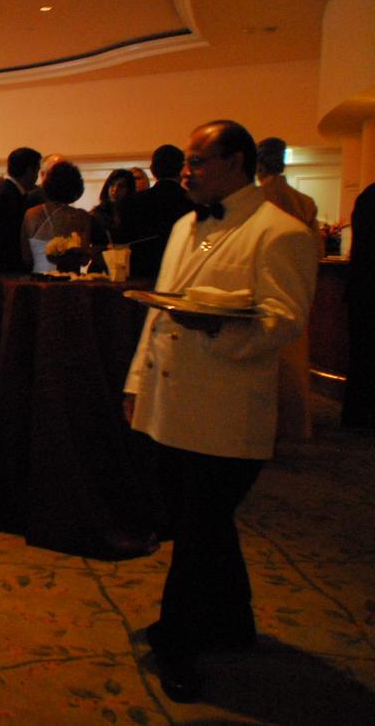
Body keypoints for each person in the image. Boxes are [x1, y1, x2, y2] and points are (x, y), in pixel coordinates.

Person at [123, 120, 318, 702]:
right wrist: (136, 383)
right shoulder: (185, 224)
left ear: (237, 163)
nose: (186, 171)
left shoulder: (281, 233)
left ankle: (178, 643)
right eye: (187, 160)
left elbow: (284, 321)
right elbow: (159, 311)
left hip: (226, 413)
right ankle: (234, 622)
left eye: (198, 161)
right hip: (170, 404)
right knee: (202, 524)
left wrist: (213, 329)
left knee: (198, 531)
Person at [256, 137, 320, 441]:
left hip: (261, 287)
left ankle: (262, 424)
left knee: (263, 361)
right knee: (293, 358)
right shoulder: (303, 202)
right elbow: (316, 250)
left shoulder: (255, 200)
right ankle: (294, 422)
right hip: (295, 290)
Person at [118, 145, 192, 278]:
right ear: (182, 169)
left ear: (152, 170)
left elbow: (124, 239)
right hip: (180, 269)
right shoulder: (191, 201)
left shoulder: (133, 202)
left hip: (142, 270)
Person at [20, 161, 105, 272]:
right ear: (76, 187)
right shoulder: (82, 217)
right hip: (71, 279)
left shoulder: (31, 214)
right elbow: (84, 260)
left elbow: (26, 257)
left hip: (39, 279)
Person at [343, 182, 375, 429]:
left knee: (360, 356)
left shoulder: (367, 197)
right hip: (365, 289)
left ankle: (356, 415)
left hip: (362, 289)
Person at [0, 147, 41, 273]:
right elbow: (8, 240)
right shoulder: (8, 198)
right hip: (8, 270)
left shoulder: (5, 194)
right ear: (29, 171)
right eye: (37, 171)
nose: (37, 177)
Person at [90, 168, 136, 243]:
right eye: (112, 184)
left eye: (121, 186)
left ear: (129, 190)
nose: (115, 189)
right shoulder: (97, 214)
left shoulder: (135, 214)